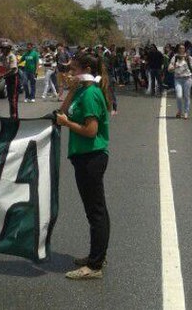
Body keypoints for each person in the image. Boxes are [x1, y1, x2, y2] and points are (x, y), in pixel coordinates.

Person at [56, 53, 111, 280]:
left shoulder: (90, 94)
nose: (70, 73)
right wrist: (71, 89)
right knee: (94, 210)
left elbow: (91, 131)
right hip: (83, 157)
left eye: (74, 69)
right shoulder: (81, 90)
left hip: (91, 158)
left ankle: (95, 265)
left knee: (96, 211)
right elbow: (62, 111)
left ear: (86, 68)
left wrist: (67, 124)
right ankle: (96, 255)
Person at [168, 44, 192, 119]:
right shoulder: (175, 58)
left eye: (183, 48)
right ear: (178, 49)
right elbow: (169, 69)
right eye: (180, 48)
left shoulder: (188, 57)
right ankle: (179, 111)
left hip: (187, 79)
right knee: (179, 95)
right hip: (178, 79)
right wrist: (174, 67)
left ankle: (186, 112)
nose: (182, 49)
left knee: (187, 96)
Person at [0, 41, 20, 119]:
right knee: (10, 98)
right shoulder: (2, 56)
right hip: (7, 77)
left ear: (8, 49)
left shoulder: (11, 56)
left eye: (5, 49)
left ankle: (14, 116)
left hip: (13, 78)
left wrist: (3, 75)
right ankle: (12, 115)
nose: (3, 50)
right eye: (2, 49)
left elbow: (13, 69)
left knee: (13, 98)